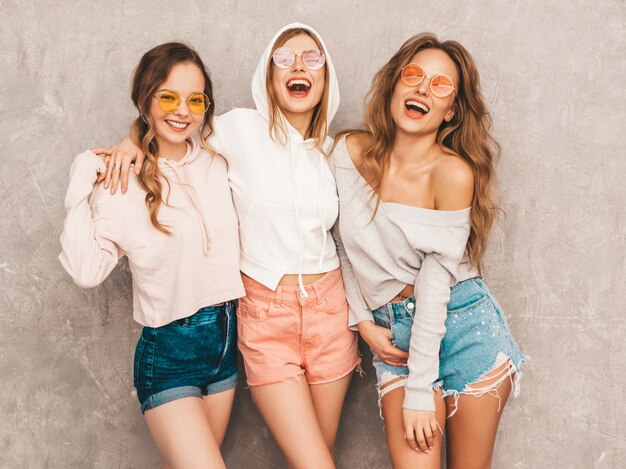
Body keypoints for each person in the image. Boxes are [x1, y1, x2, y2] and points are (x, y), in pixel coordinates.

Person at [102, 24, 360, 468]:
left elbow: (353, 241)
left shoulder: (335, 152)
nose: (298, 65)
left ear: (326, 78)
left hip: (331, 316)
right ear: (268, 73)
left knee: (319, 456)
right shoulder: (238, 130)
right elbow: (175, 130)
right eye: (284, 57)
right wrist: (132, 140)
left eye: (312, 58)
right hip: (266, 316)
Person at [330, 33, 528, 469]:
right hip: (394, 338)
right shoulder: (345, 153)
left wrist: (421, 388)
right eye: (414, 75)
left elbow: (435, 287)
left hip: (463, 328)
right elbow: (338, 243)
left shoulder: (452, 174)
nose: (422, 89)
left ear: (451, 110)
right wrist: (362, 320)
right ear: (394, 85)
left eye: (440, 86)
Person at [59, 42, 245, 468]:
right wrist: (83, 174)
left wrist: (133, 138)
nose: (182, 111)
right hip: (169, 354)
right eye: (168, 97)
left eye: (195, 99)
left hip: (224, 342)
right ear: (145, 100)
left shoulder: (220, 161)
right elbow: (87, 272)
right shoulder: (122, 181)